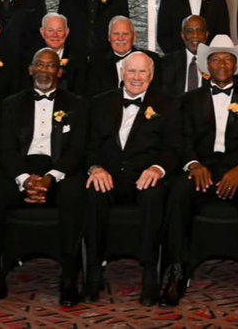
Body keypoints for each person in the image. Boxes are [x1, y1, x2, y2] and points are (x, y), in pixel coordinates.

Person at [160, 35, 238, 309]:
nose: (221, 63)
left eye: (227, 59)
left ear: (236, 65)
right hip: (202, 171)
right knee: (178, 190)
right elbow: (181, 140)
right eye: (216, 59)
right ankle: (175, 272)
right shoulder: (188, 100)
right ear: (206, 66)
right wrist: (193, 164)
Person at [0, 48, 88, 309]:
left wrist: (51, 178)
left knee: (74, 193)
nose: (45, 70)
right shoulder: (11, 104)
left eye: (51, 66)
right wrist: (25, 179)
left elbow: (77, 149)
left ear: (59, 71)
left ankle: (69, 278)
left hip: (59, 170)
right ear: (30, 69)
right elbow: (6, 148)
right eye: (40, 65)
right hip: (22, 168)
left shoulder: (77, 104)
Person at [84, 52, 179, 305]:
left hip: (144, 175)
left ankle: (150, 273)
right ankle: (93, 269)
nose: (136, 77)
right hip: (109, 175)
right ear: (122, 73)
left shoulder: (168, 104)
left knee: (154, 194)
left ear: (151, 75)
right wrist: (95, 168)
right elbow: (90, 145)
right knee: (93, 192)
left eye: (142, 72)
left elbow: (173, 148)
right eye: (131, 71)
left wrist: (157, 168)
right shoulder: (100, 102)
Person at [82, 16, 159, 97]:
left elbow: (157, 94)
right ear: (109, 37)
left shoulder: (150, 59)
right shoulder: (96, 60)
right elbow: (91, 95)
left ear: (134, 37)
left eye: (125, 34)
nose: (120, 38)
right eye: (116, 34)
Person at [160, 15, 209, 97]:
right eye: (189, 31)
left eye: (199, 31)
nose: (195, 35)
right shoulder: (166, 63)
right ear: (182, 35)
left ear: (206, 34)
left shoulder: (214, 62)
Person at [37, 12, 82, 92]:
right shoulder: (31, 58)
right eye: (50, 30)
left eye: (59, 30)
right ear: (42, 32)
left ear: (67, 32)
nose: (55, 35)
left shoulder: (79, 60)